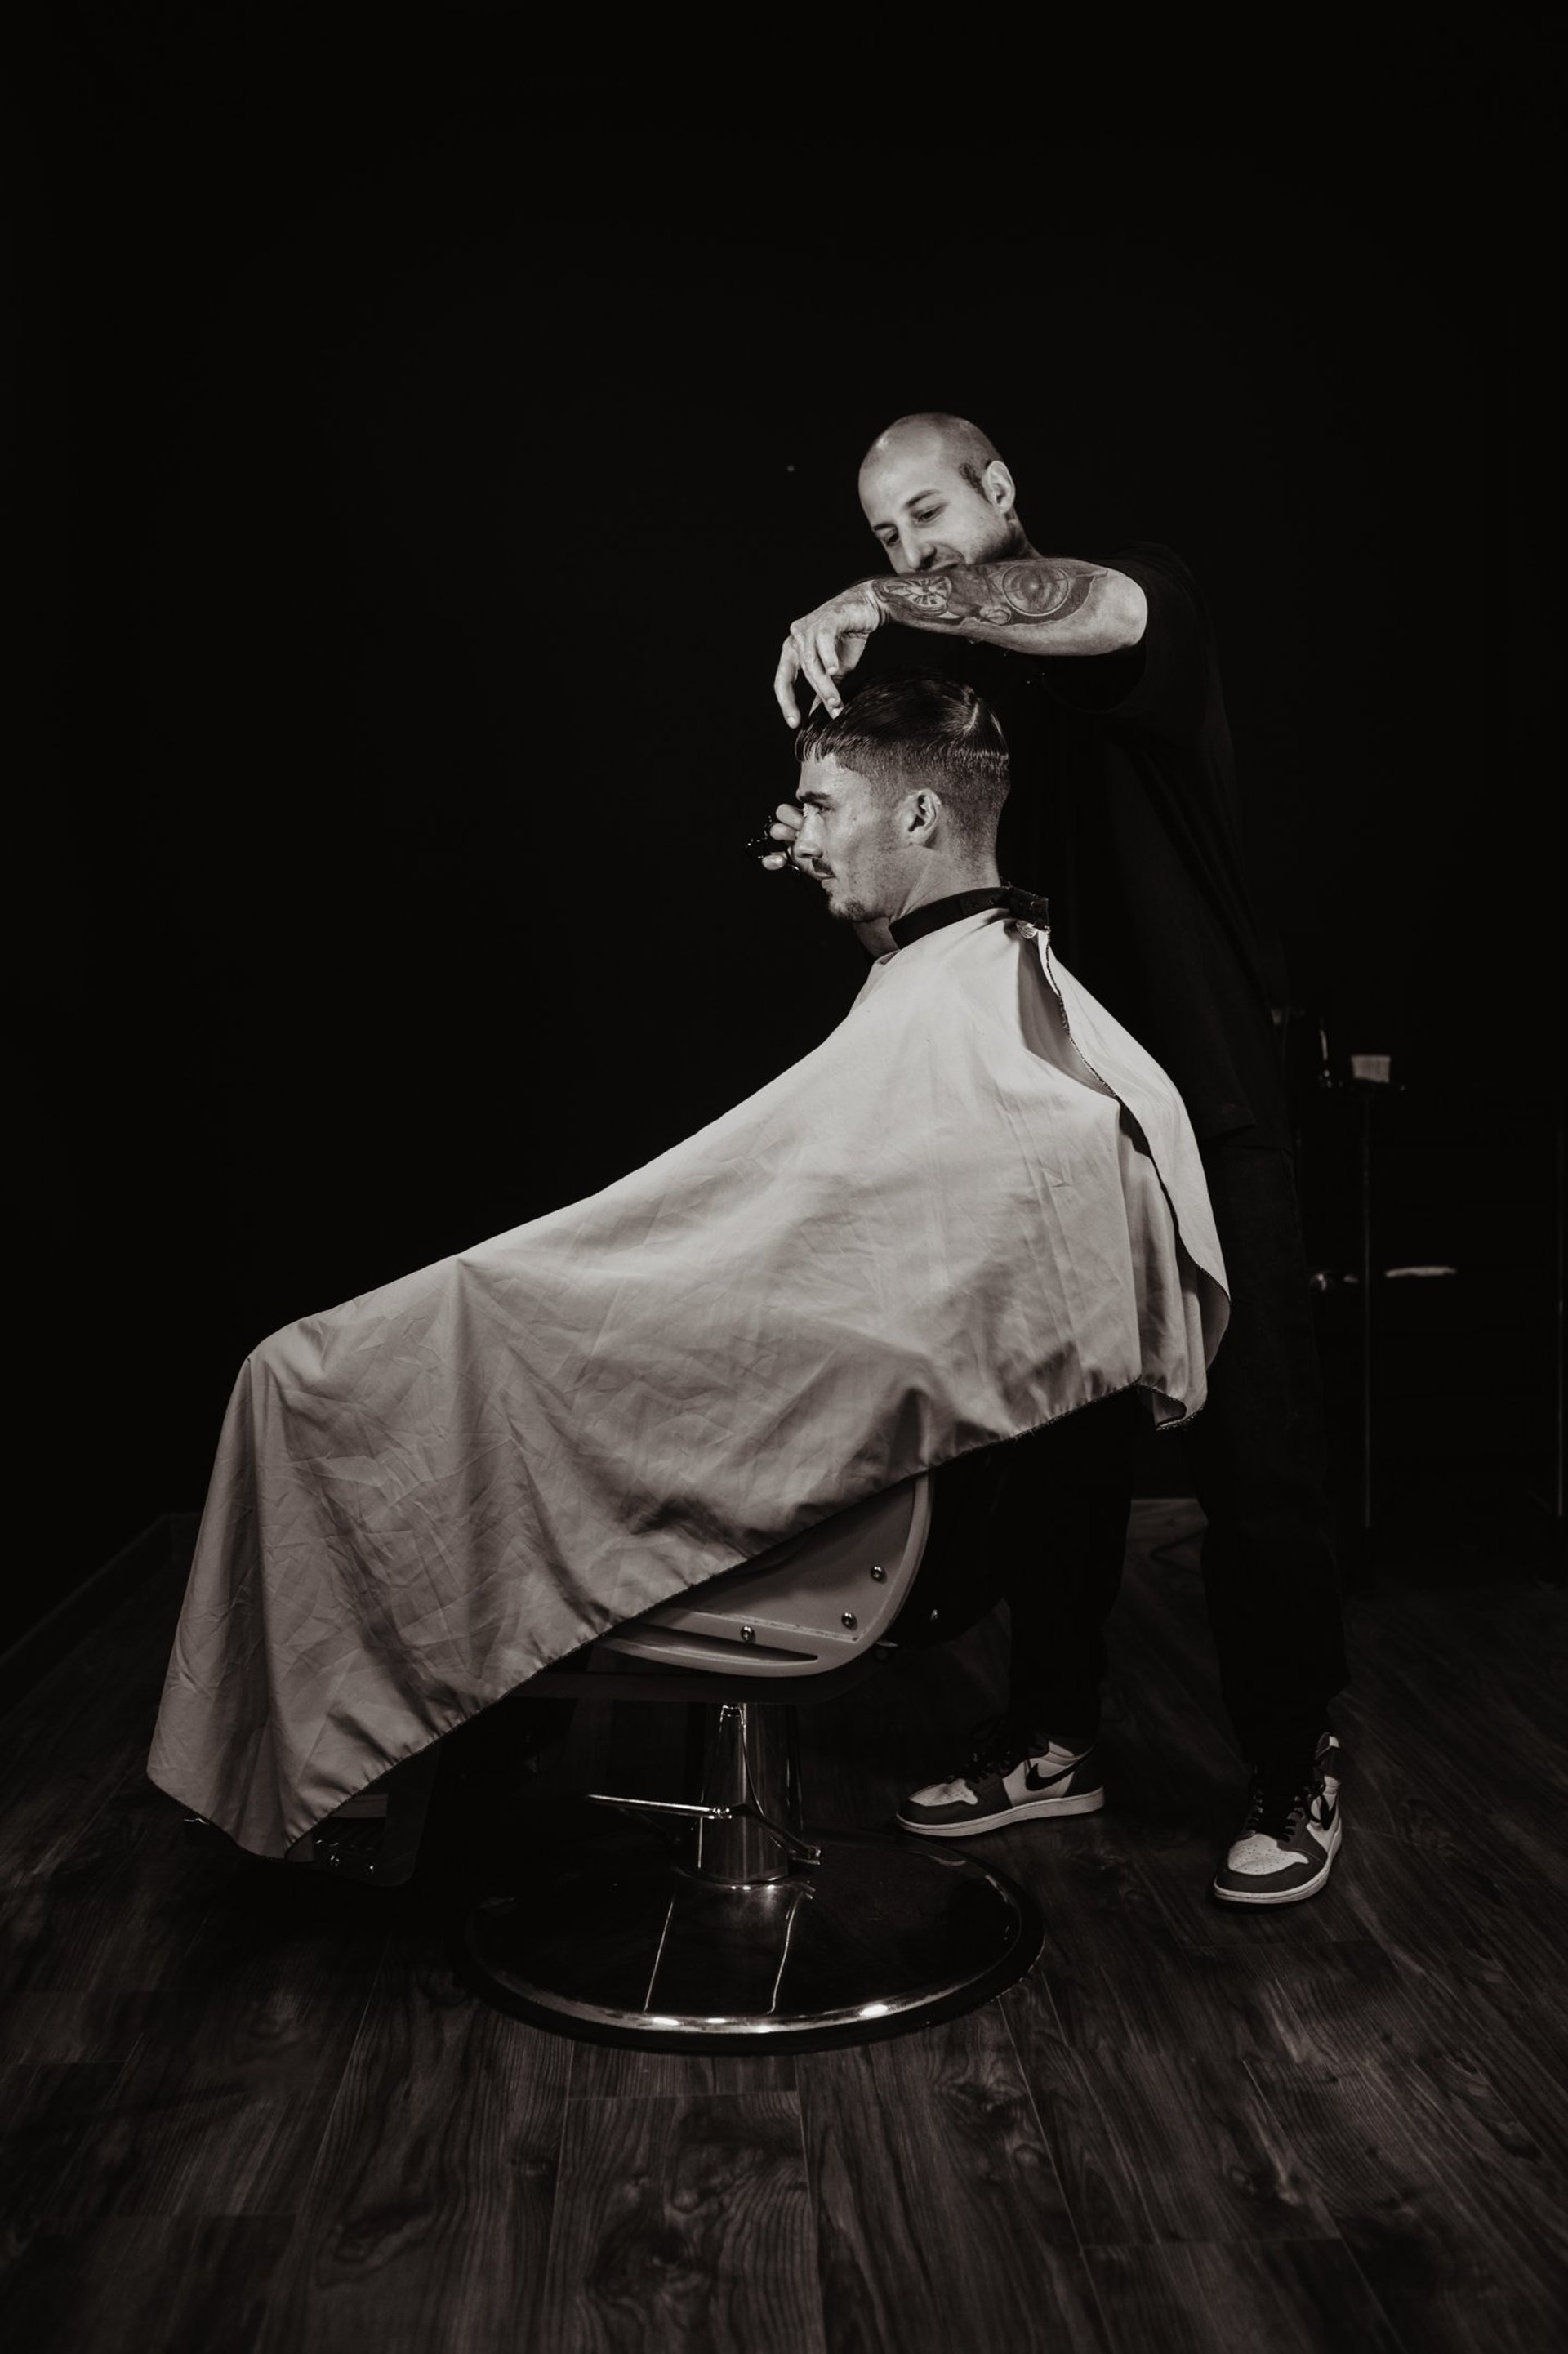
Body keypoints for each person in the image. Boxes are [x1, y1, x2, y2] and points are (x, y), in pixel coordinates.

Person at [149, 674, 1227, 1866]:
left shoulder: (987, 1049)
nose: (794, 837)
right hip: (832, 1427)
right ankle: (408, 1745)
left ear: (919, 819)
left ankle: (327, 1753)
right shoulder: (995, 997)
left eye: (818, 807)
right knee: (356, 1372)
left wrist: (558, 1301)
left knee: (308, 1382)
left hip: (843, 1524)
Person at [764, 412, 1347, 1906]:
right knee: (1054, 1453)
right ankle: (1052, 1739)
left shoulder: (1128, 598)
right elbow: (935, 910)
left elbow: (1086, 607)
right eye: (884, 538)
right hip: (1047, 1119)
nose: (908, 551)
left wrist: (871, 599)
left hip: (1205, 1100)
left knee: (1253, 1457)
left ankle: (1296, 1764)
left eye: (927, 514)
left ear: (1000, 489)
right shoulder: (952, 708)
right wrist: (845, 855)